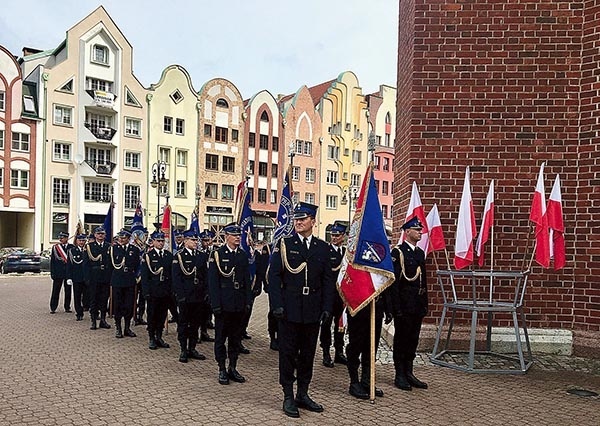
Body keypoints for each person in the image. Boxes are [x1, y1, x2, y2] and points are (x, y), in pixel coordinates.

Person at [268, 202, 334, 418]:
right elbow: (275, 277)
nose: (298, 222)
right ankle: (288, 395)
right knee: (287, 354)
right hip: (289, 309)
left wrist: (326, 308)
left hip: (312, 310)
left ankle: (302, 393)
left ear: (313, 221)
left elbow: (327, 281)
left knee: (307, 354)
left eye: (303, 219)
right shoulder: (284, 244)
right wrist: (276, 305)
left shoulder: (322, 248)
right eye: (296, 218)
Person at [385, 217, 429, 391]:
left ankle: (409, 372)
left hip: (416, 305)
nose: (420, 232)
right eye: (417, 230)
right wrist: (394, 308)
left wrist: (425, 303)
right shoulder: (398, 253)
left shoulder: (419, 254)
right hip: (403, 305)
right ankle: (399, 374)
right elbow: (393, 284)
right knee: (402, 340)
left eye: (420, 230)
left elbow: (423, 281)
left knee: (413, 339)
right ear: (407, 231)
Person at [208, 223, 252, 385]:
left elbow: (247, 280)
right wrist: (216, 305)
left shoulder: (241, 255)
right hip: (224, 304)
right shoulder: (218, 255)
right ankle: (221, 368)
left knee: (235, 338)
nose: (237, 238)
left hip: (238, 304)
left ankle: (233, 367)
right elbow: (213, 283)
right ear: (226, 236)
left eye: (239, 235)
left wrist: (248, 301)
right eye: (234, 235)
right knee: (220, 338)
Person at [172, 229, 208, 363]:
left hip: (198, 296)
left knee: (195, 323)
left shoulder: (201, 256)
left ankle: (192, 348)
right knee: (183, 324)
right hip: (185, 296)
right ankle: (183, 349)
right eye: (192, 240)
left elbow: (205, 276)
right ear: (186, 240)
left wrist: (205, 293)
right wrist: (180, 296)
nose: (195, 242)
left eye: (196, 240)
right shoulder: (179, 256)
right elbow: (176, 278)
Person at [346, 295, 386, 399]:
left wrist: (388, 308)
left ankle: (367, 381)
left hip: (376, 308)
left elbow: (385, 284)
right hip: (358, 308)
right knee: (355, 347)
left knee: (371, 348)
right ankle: (354, 382)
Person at [320, 223, 348, 368]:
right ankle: (325, 352)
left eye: (337, 235)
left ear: (343, 236)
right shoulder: (326, 251)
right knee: (326, 324)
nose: (334, 238)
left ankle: (339, 352)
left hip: (341, 296)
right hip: (328, 295)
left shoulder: (345, 253)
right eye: (333, 235)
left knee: (340, 325)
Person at [141, 231, 172, 350]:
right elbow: (145, 276)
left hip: (165, 291)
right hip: (153, 291)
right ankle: (152, 337)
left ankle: (159, 336)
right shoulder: (148, 256)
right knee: (152, 315)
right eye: (158, 241)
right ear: (153, 242)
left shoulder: (168, 256)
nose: (160, 243)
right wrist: (146, 292)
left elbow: (171, 274)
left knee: (162, 315)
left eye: (162, 241)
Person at [109, 229, 141, 338]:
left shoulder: (134, 249)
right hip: (117, 280)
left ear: (128, 239)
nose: (121, 240)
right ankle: (118, 327)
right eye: (120, 238)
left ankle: (127, 327)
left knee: (129, 305)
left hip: (129, 280)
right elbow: (109, 266)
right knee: (117, 305)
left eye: (123, 238)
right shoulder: (113, 249)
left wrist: (136, 277)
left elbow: (137, 266)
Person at [83, 226, 112, 330]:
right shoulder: (89, 247)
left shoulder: (109, 246)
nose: (100, 235)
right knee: (93, 300)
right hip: (94, 276)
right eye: (98, 234)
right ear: (95, 235)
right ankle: (94, 321)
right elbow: (86, 264)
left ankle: (103, 320)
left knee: (104, 299)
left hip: (105, 276)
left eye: (102, 234)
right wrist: (86, 278)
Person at [49, 231, 74, 314]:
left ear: (67, 238)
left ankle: (67, 307)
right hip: (58, 273)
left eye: (62, 237)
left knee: (68, 291)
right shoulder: (56, 247)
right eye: (60, 237)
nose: (60, 239)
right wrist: (52, 273)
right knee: (56, 291)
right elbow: (53, 261)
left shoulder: (71, 247)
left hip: (68, 273)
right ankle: (53, 307)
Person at [198, 230, 215, 343]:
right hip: (200, 286)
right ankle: (198, 333)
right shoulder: (198, 253)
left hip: (210, 285)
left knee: (207, 311)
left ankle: (204, 331)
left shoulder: (214, 252)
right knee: (199, 312)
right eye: (204, 240)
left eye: (208, 240)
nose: (207, 242)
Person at [66, 234, 88, 321]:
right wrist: (69, 277)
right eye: (80, 240)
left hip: (87, 277)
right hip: (77, 277)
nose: (82, 242)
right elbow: (69, 265)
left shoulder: (88, 250)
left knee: (88, 296)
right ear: (77, 241)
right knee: (77, 296)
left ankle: (91, 311)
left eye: (83, 241)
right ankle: (79, 313)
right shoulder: (72, 251)